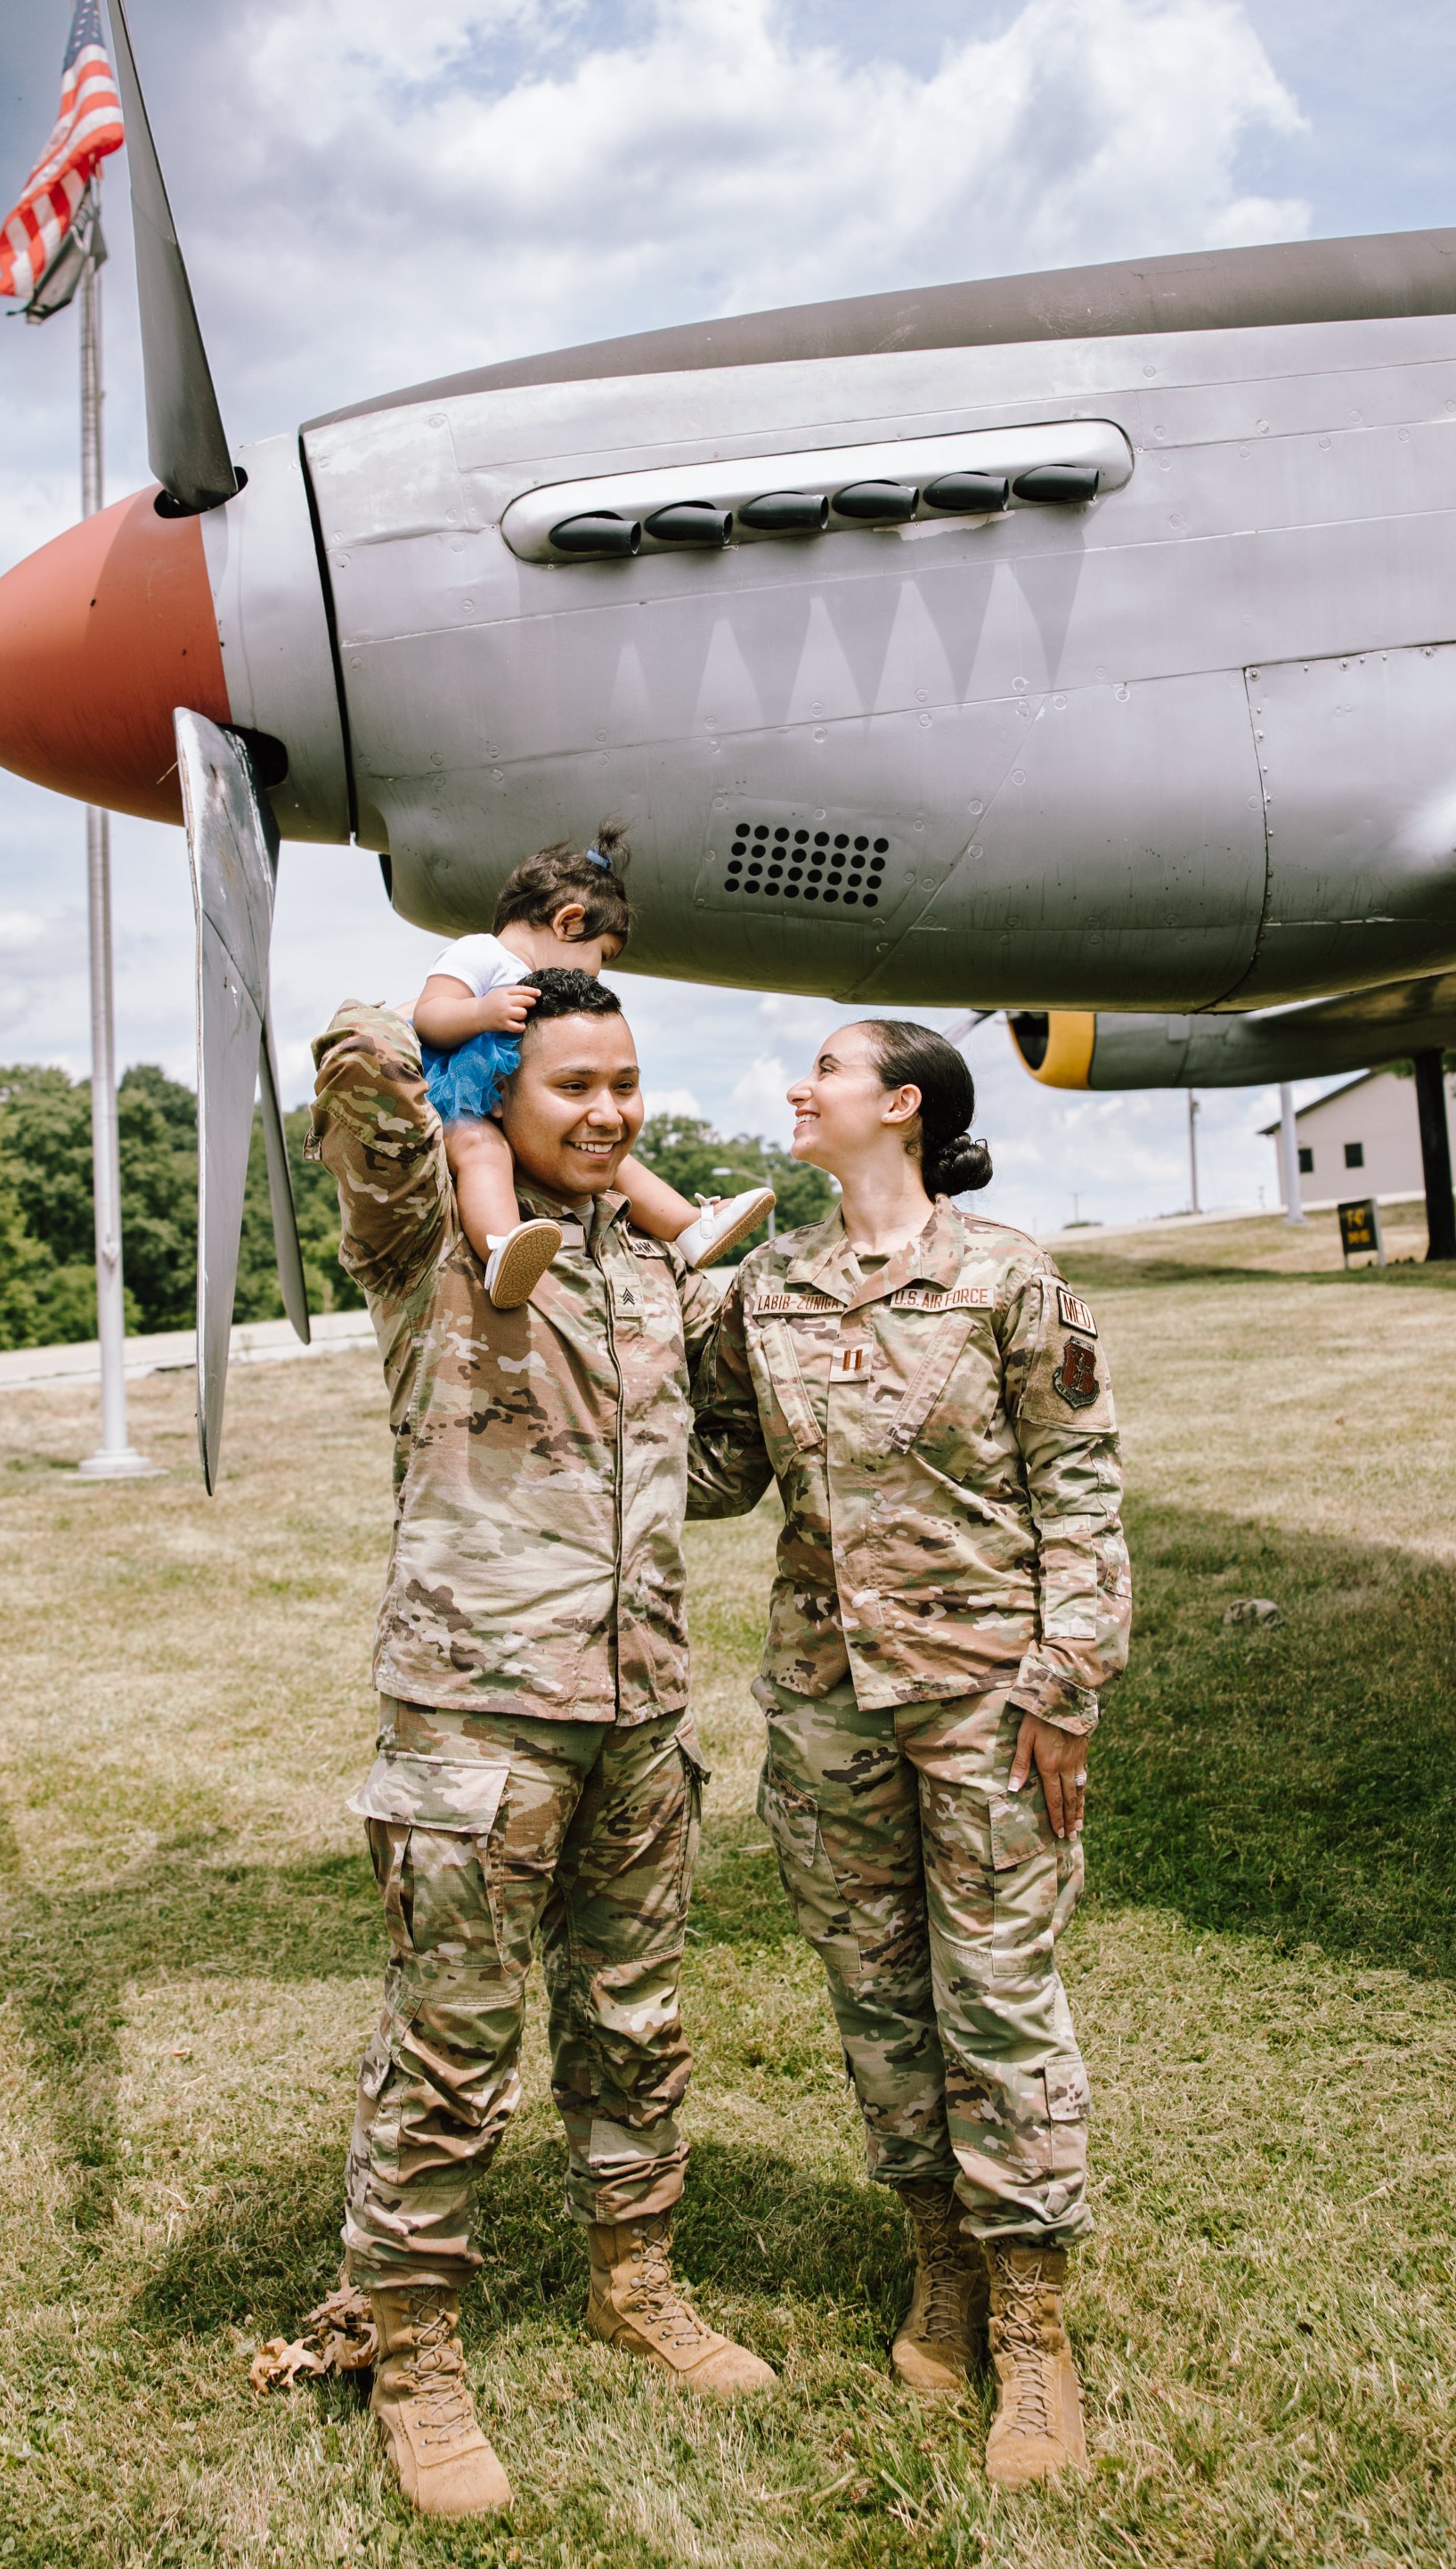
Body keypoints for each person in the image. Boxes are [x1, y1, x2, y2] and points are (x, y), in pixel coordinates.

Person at [298, 968, 775, 2520]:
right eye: (573, 1082)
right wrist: (442, 1018)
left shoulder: (643, 1261)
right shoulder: (430, 1237)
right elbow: (353, 1067)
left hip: (640, 1711)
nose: (610, 1110)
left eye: (626, 1080)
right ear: (502, 1086)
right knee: (451, 2044)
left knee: (635, 2021)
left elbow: (704, 1473)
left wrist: (767, 1380)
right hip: (478, 1721)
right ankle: (410, 2348)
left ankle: (635, 2278)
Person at [686, 1019, 1130, 2490]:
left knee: (997, 1997)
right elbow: (718, 1468)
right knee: (879, 2000)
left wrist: (1067, 1678)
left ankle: (1034, 2320)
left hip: (989, 1700)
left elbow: (1079, 1483)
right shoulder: (769, 1285)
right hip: (829, 1705)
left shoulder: (1007, 1275)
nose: (796, 1089)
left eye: (823, 1068)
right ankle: (937, 2258)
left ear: (902, 1106)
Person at [411, 831, 774, 1309]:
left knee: (616, 1161)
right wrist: (482, 1013)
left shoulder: (540, 984)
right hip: (462, 1097)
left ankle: (688, 1227)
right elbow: (429, 1014)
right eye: (600, 956)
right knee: (484, 1155)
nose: (596, 973)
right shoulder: (480, 954)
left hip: (503, 1092)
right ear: (569, 922)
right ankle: (500, 1249)